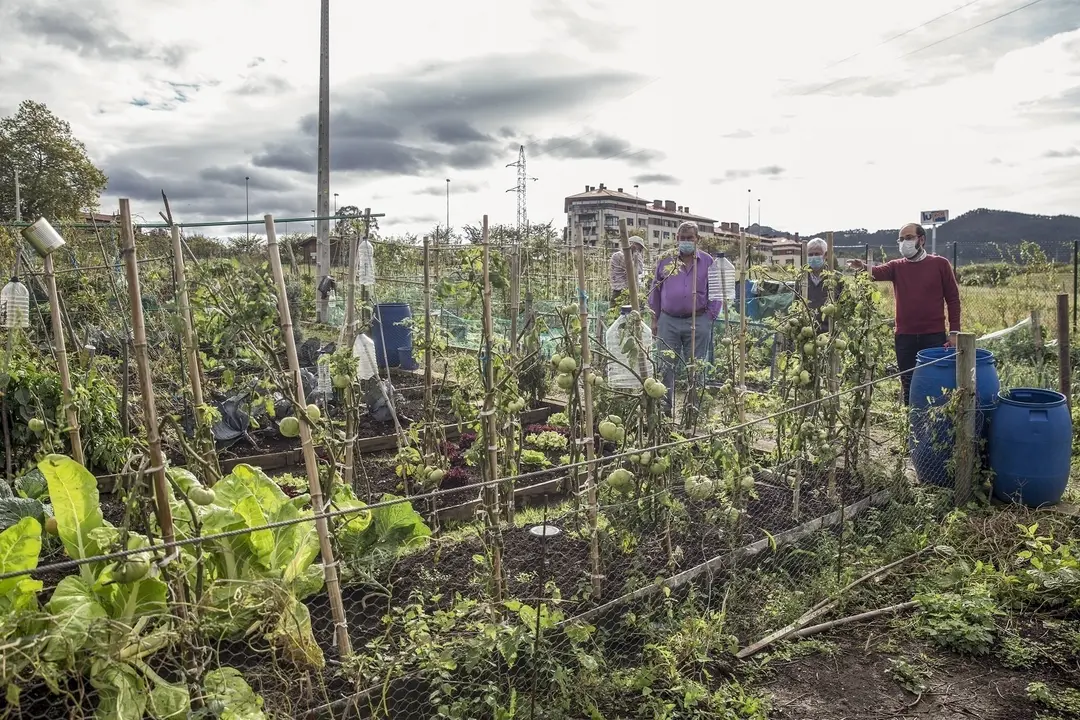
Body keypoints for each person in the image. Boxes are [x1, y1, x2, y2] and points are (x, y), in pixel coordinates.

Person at [847, 223, 961, 406]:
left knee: (934, 384)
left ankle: (935, 427)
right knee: (909, 385)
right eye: (901, 239)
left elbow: (953, 299)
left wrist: (954, 332)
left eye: (908, 238)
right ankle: (912, 427)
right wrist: (862, 267)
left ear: (921, 240)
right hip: (905, 338)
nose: (904, 242)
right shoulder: (896, 267)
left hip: (933, 336)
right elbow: (875, 272)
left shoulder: (940, 264)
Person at [648, 221, 721, 411]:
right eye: (682, 238)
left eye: (690, 238)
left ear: (698, 239)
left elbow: (716, 290)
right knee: (665, 366)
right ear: (676, 239)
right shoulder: (665, 260)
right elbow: (655, 289)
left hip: (698, 320)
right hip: (668, 320)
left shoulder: (707, 261)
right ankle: (664, 409)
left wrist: (710, 316)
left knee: (695, 367)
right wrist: (654, 318)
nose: (686, 242)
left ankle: (692, 410)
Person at [804, 237, 843, 332]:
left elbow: (844, 307)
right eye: (810, 254)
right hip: (807, 331)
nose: (813, 257)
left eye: (817, 254)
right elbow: (795, 304)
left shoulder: (837, 278)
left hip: (831, 332)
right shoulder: (802, 279)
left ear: (825, 255)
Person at [609, 236, 645, 305]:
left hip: (625, 290)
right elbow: (638, 270)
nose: (640, 251)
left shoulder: (628, 257)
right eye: (639, 249)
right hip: (620, 291)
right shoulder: (619, 256)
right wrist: (636, 253)